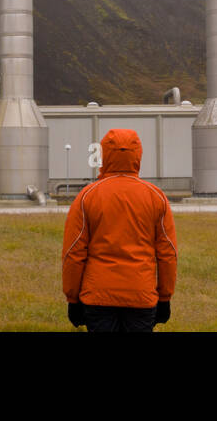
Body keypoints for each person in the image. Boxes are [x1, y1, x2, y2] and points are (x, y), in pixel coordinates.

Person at [61, 127, 177, 332]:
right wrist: (165, 296)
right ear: (138, 155)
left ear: (104, 154)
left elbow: (73, 252)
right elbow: (168, 253)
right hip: (141, 295)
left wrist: (72, 297)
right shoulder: (155, 196)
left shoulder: (87, 196)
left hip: (98, 297)